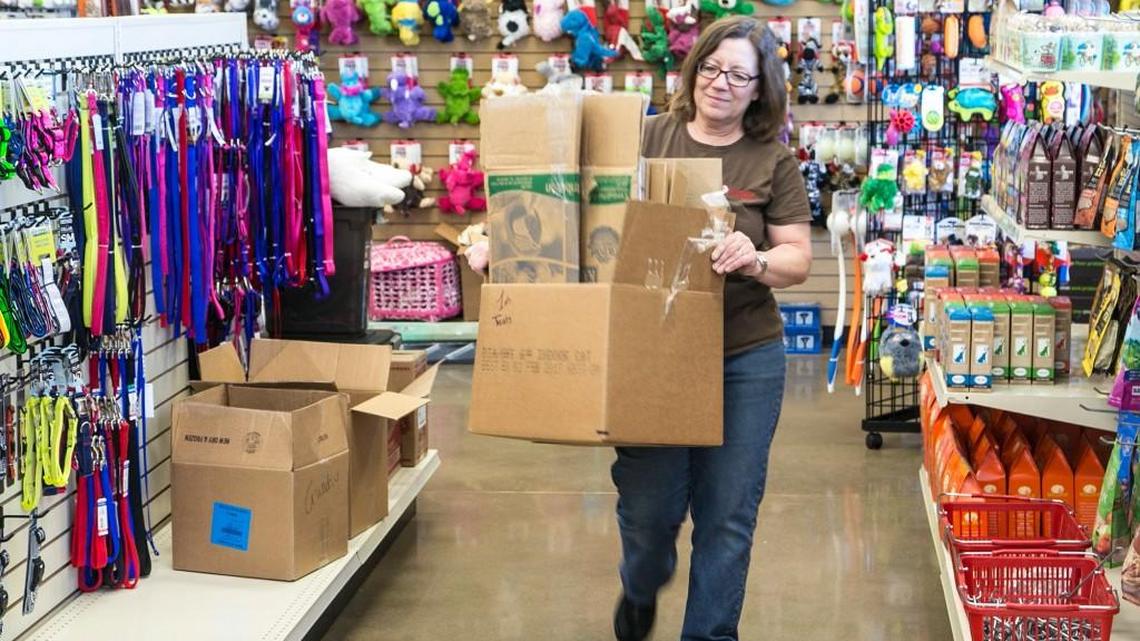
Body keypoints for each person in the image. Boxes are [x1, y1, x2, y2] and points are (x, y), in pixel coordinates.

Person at [611, 15, 813, 641]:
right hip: (654, 353)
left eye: (739, 75)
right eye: (711, 67)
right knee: (651, 510)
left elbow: (797, 258)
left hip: (743, 355)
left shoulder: (772, 161)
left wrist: (753, 259)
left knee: (727, 518)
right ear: (694, 67)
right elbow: (588, 213)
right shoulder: (646, 139)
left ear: (760, 90)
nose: (720, 83)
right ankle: (642, 582)